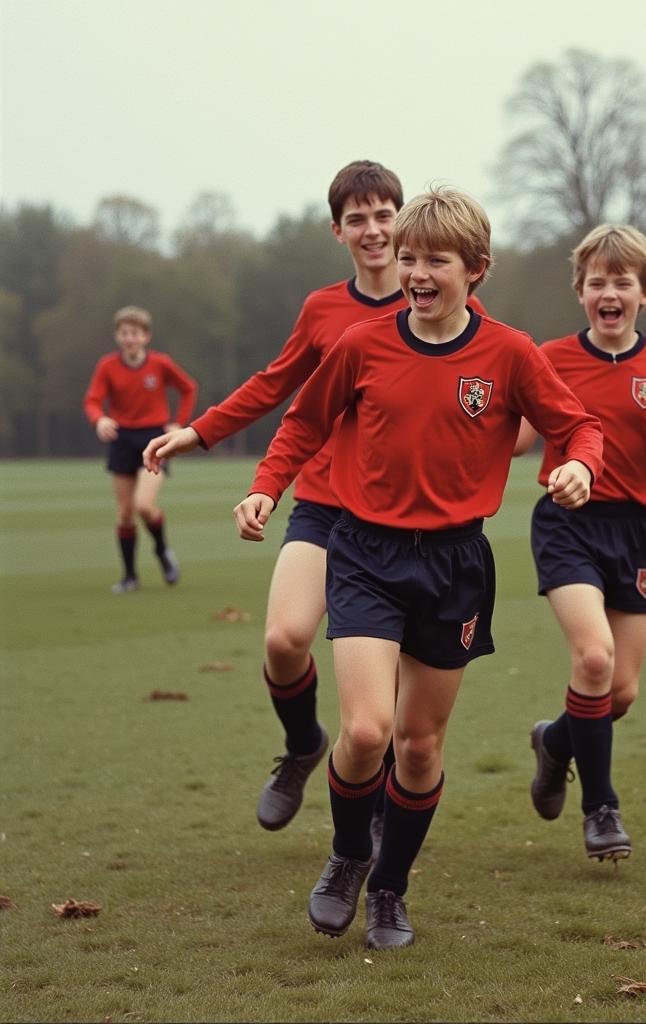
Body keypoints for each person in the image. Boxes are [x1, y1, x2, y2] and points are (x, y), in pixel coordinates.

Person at [233, 186, 603, 950]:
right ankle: (346, 858)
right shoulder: (362, 346)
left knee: (420, 746)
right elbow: (302, 422)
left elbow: (579, 426)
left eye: (435, 259)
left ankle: (391, 891)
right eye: (408, 259)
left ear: (477, 269)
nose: (418, 273)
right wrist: (266, 489)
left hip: (456, 564)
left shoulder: (510, 353)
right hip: (366, 553)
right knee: (366, 732)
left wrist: (582, 469)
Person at [143, 162, 485, 840]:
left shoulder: (444, 304)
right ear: (338, 231)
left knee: (383, 688)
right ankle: (303, 745)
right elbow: (277, 386)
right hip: (327, 503)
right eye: (357, 218)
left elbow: (485, 377)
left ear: (402, 217)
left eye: (384, 213)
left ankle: (383, 806)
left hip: (403, 522)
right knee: (283, 639)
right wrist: (203, 431)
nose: (373, 229)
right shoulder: (325, 310)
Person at [515, 224, 646, 863]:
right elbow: (515, 438)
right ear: (580, 291)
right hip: (568, 521)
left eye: (621, 282)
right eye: (597, 281)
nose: (609, 291)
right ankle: (601, 808)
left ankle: (554, 742)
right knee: (595, 661)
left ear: (644, 293)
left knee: (619, 693)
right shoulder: (547, 357)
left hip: (637, 532)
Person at [83, 305, 197, 593]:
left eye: (134, 333)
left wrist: (178, 424)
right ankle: (130, 577)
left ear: (146, 336)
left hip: (154, 439)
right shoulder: (107, 366)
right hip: (122, 439)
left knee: (143, 506)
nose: (129, 338)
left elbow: (188, 388)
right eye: (124, 333)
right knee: (124, 513)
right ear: (117, 336)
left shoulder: (160, 364)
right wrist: (100, 419)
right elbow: (92, 400)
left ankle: (161, 551)